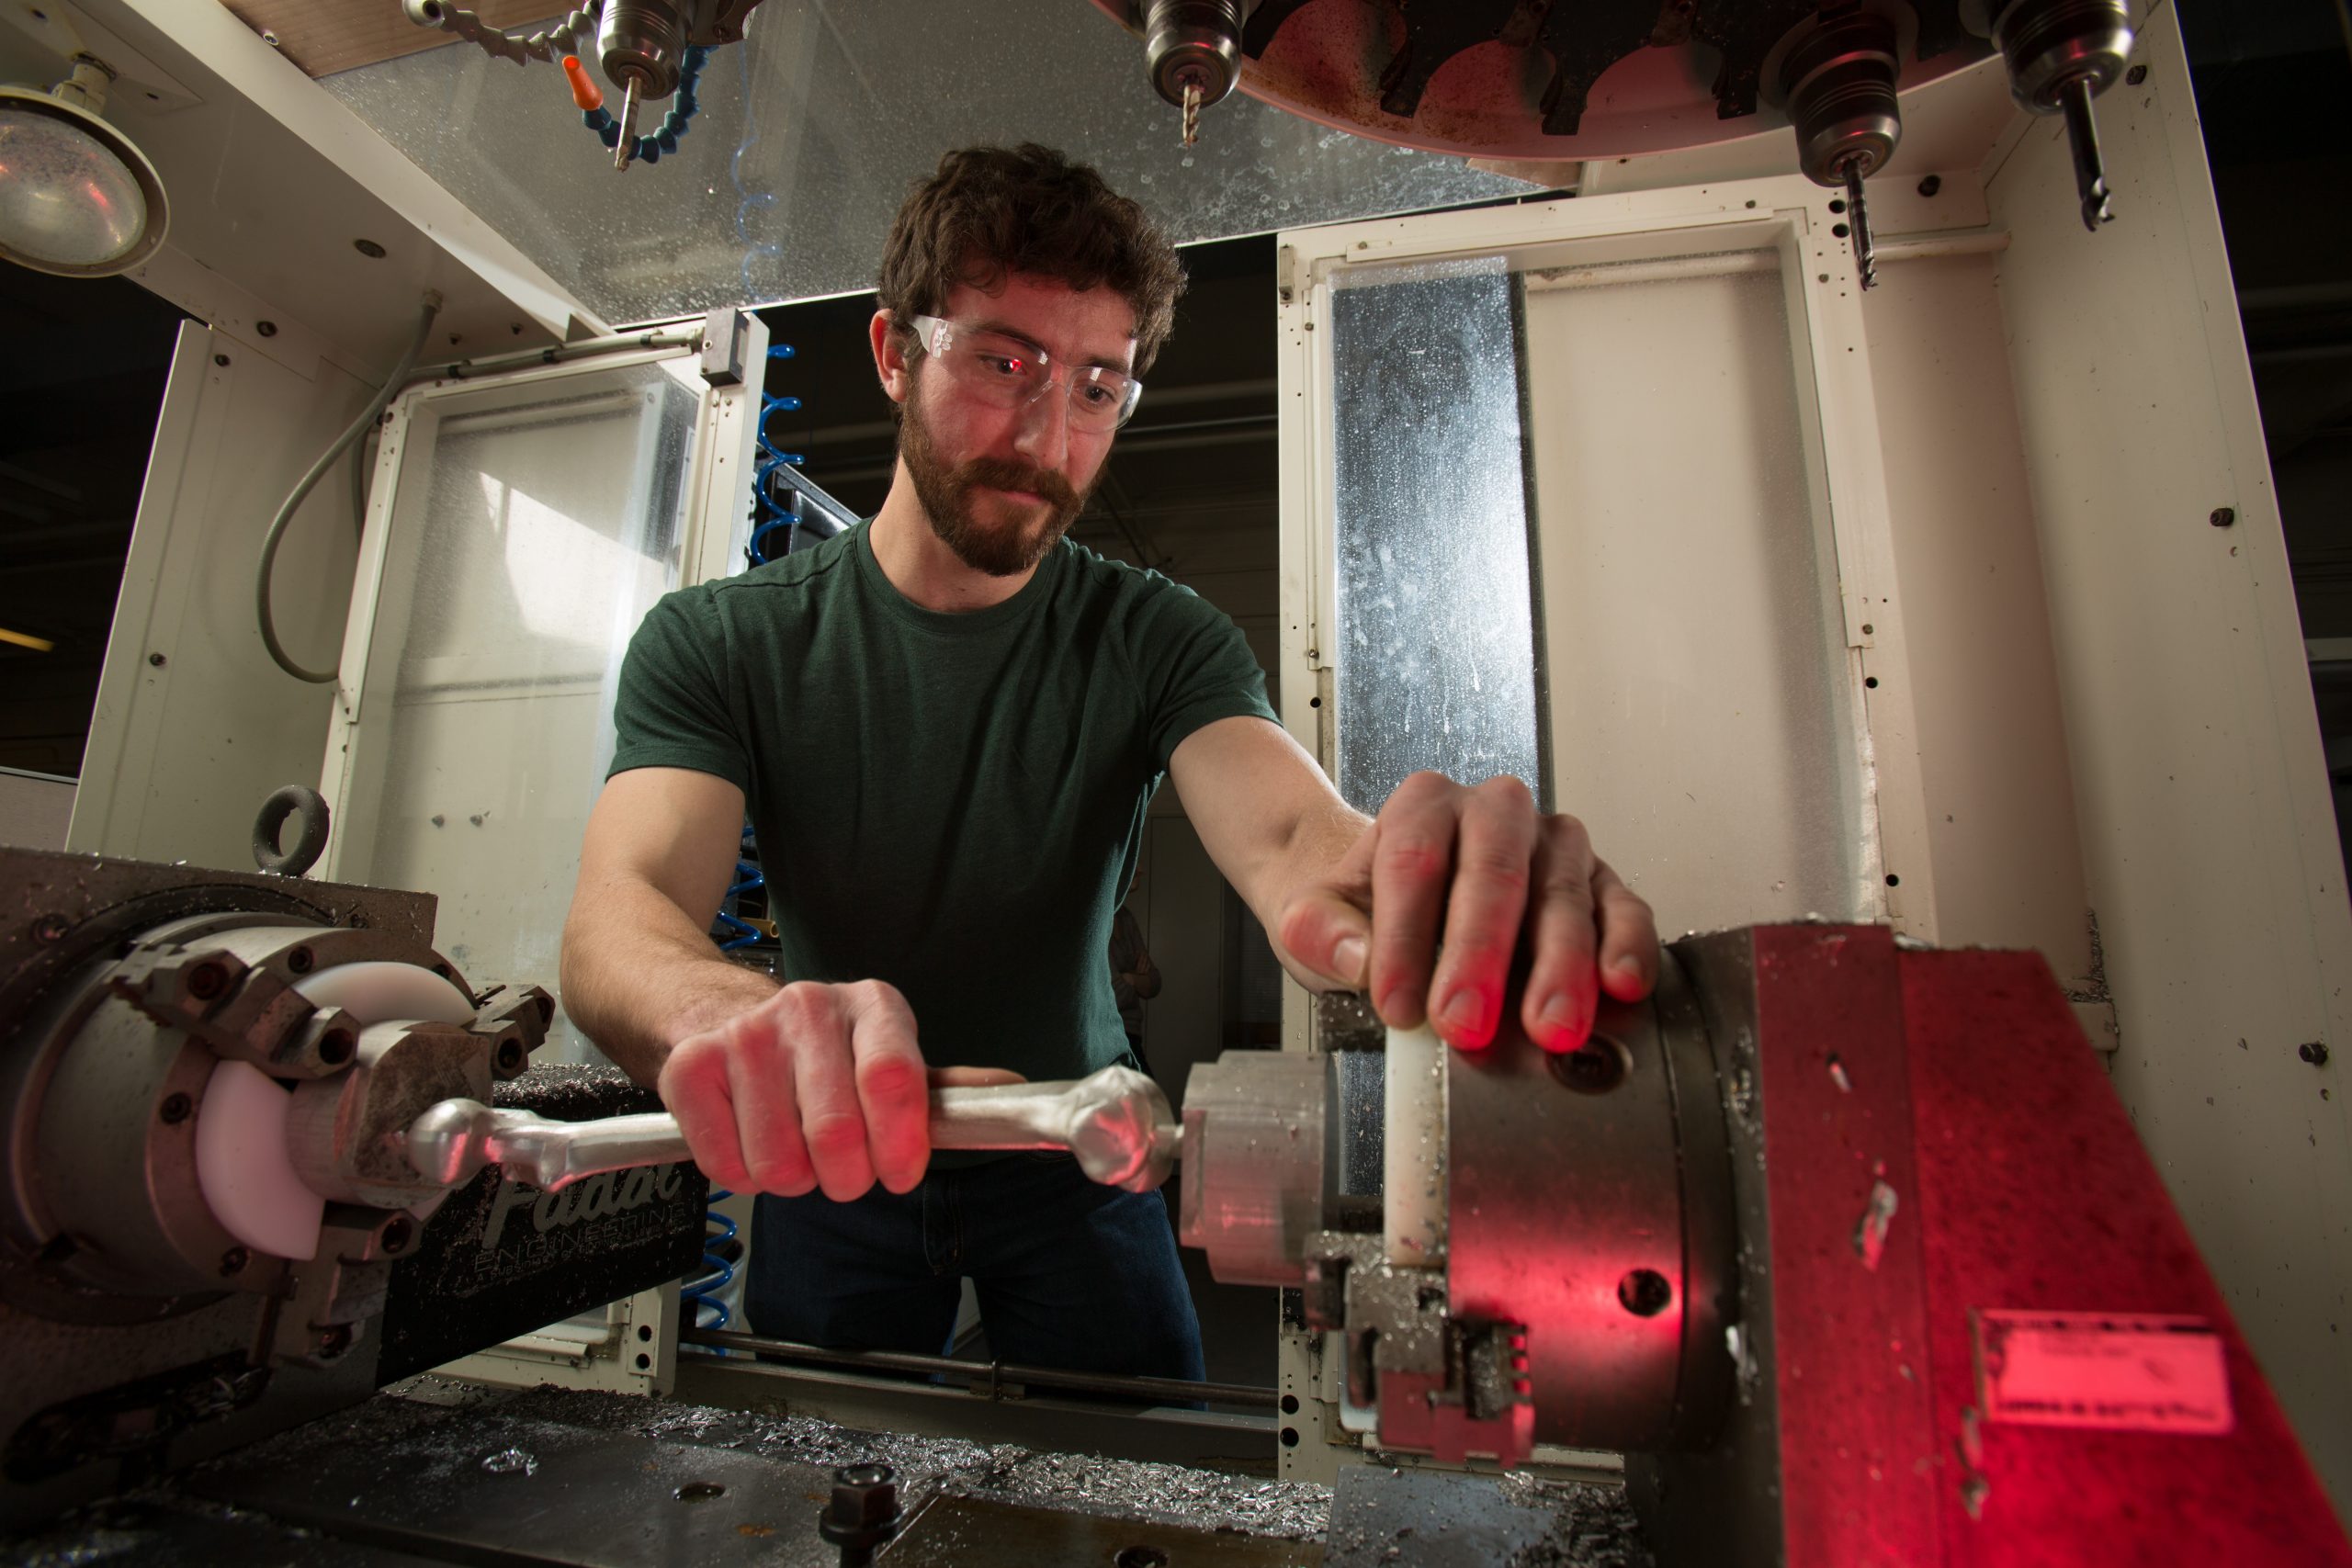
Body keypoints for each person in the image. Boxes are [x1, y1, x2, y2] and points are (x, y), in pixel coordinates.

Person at [560, 144, 1657, 1383]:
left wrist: (1412, 882)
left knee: (1136, 1469)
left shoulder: (1156, 633)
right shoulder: (723, 639)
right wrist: (735, 1019)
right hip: (843, 1151)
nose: (1045, 434)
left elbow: (1294, 838)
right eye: (1002, 361)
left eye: (1097, 385)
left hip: (1080, 1147)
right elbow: (623, 912)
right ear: (892, 354)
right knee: (817, 1486)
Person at [1108, 902, 1160, 1072]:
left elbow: (1155, 982)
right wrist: (1138, 978)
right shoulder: (1098, 916)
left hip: (1132, 1034)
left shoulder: (1125, 916)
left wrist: (1129, 977)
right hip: (1107, 1037)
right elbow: (1111, 997)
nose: (1142, 873)